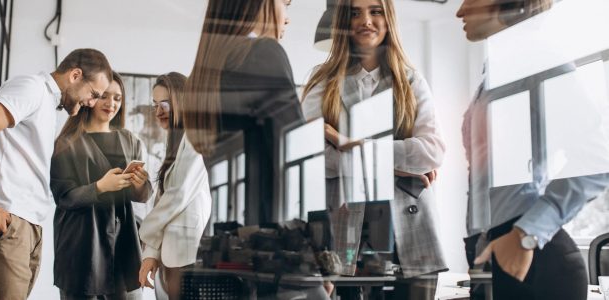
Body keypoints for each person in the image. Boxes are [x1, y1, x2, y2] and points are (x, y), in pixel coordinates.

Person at [457, 1, 609, 299]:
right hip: (495, 250)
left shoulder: (538, 59)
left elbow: (596, 157)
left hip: (536, 260)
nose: (459, 10)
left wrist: (525, 234)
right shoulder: (499, 68)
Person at [301, 0, 447, 298]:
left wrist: (347, 144)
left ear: (388, 18)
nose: (365, 20)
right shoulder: (322, 80)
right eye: (355, 13)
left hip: (409, 230)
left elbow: (432, 151)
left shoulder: (412, 80)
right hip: (341, 230)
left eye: (375, 11)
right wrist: (396, 164)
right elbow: (310, 158)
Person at [0, 48, 112, 300]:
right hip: (6, 220)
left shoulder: (48, 104)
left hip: (26, 224)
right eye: (93, 94)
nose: (92, 103)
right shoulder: (32, 87)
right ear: (75, 75)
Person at [182, 0, 302, 225]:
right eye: (285, 4)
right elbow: (295, 157)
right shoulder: (263, 53)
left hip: (229, 235)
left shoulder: (205, 75)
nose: (287, 17)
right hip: (270, 239)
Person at [50, 71, 151, 299]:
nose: (111, 104)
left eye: (117, 98)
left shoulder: (130, 141)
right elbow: (64, 197)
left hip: (123, 243)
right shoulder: (67, 143)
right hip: (82, 246)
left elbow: (143, 195)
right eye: (105, 96)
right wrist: (100, 187)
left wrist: (139, 184)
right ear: (91, 97)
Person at [137, 72, 212, 300]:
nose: (158, 112)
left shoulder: (196, 136)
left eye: (165, 104)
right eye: (155, 105)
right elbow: (164, 198)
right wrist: (151, 251)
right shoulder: (176, 141)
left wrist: (145, 236)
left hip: (187, 254)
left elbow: (177, 195)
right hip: (172, 253)